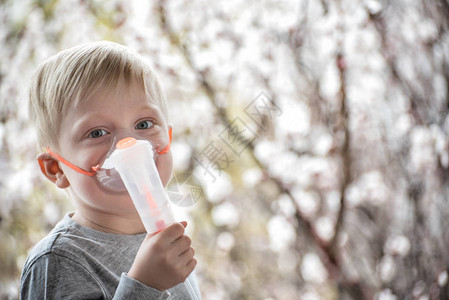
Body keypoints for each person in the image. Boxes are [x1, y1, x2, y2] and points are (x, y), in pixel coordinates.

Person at [20, 41, 200, 299]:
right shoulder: (58, 261)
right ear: (56, 167)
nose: (130, 146)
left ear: (168, 136)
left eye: (144, 124)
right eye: (97, 133)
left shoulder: (167, 237)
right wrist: (145, 285)